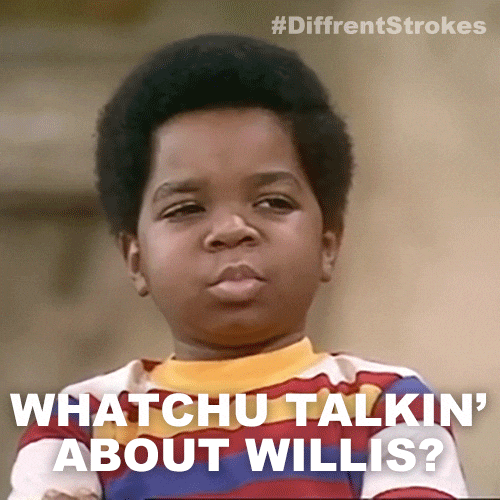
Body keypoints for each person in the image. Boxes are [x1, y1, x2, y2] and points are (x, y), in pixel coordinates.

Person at [9, 34, 468, 499]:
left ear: (327, 244)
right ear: (136, 258)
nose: (231, 230)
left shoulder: (390, 406)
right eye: (186, 209)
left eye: (273, 202)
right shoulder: (80, 423)